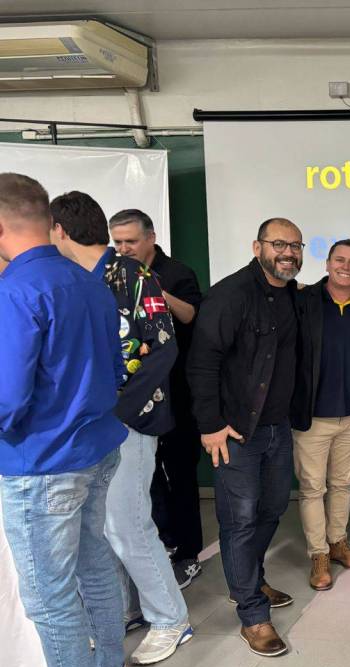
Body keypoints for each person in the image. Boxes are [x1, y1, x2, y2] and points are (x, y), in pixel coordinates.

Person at [0, 174, 139, 667]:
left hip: (43, 462)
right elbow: (115, 367)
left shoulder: (17, 289)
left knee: (48, 592)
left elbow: (7, 396)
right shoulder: (88, 280)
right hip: (95, 447)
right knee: (93, 562)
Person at [51, 192, 191, 667]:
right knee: (102, 526)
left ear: (61, 230)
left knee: (128, 522)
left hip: (130, 418)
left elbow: (163, 346)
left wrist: (118, 409)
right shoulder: (74, 278)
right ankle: (124, 609)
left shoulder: (130, 274)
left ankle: (170, 617)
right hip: (89, 421)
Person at [188, 217, 302, 657]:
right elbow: (202, 363)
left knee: (272, 508)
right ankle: (253, 614)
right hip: (236, 431)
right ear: (258, 247)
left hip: (277, 427)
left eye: (295, 245)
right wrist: (210, 424)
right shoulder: (230, 295)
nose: (288, 252)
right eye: (279, 244)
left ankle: (249, 580)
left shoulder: (291, 294)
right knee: (239, 520)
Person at [109, 209, 205, 590]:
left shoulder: (178, 272)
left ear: (150, 237)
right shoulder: (112, 274)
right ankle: (163, 542)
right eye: (118, 242)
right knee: (145, 480)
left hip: (178, 392)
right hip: (135, 396)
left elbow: (191, 315)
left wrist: (152, 291)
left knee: (181, 475)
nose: (124, 248)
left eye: (131, 241)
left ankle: (189, 555)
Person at [291, 239, 350, 591]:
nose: (346, 267)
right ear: (326, 264)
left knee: (342, 484)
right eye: (339, 260)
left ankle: (338, 543)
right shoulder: (304, 301)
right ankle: (319, 554)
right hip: (313, 417)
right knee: (312, 488)